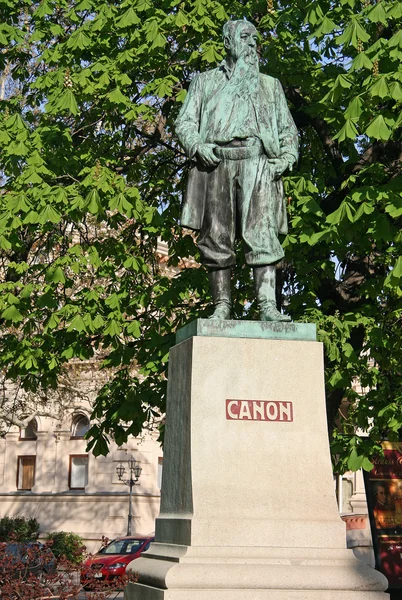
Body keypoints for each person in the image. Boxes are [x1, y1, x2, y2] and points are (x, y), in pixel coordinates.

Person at [175, 19, 298, 321]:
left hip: (257, 162)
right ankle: (222, 305)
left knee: (263, 233)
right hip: (217, 161)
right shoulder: (204, 82)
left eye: (255, 39)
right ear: (228, 43)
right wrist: (196, 146)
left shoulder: (270, 86)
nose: (252, 45)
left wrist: (286, 158)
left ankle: (268, 306)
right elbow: (185, 123)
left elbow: (288, 132)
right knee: (217, 235)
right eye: (245, 38)